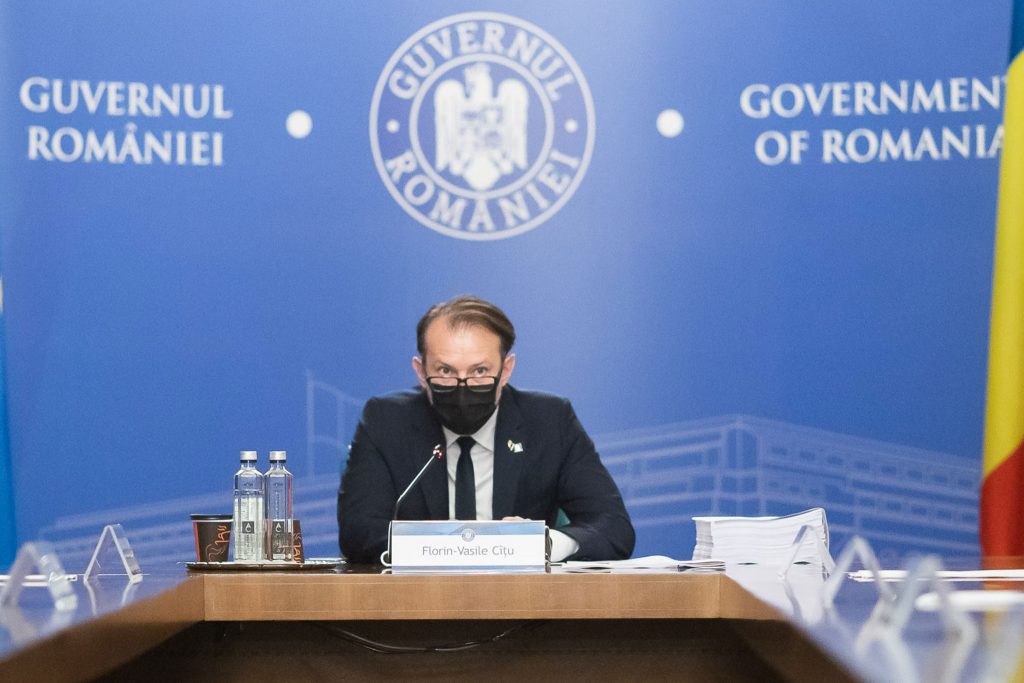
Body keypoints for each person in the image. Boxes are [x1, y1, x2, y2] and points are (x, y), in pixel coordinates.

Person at [337, 295, 635, 564]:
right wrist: (458, 548)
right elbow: (359, 532)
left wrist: (542, 544)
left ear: (506, 370)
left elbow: (613, 527)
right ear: (420, 371)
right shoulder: (387, 421)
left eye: (479, 371)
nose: (463, 386)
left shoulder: (549, 421)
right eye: (445, 371)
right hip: (418, 600)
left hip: (523, 601)